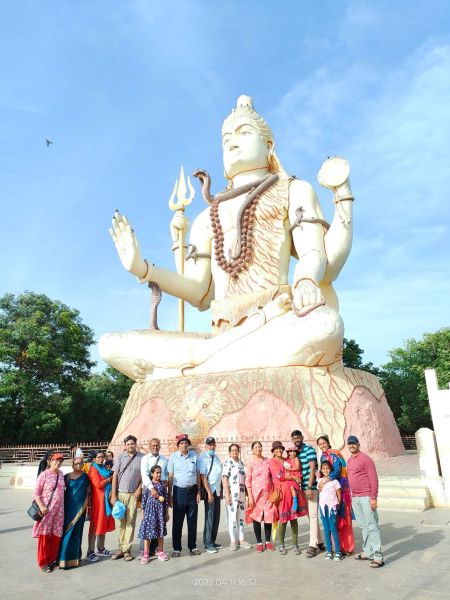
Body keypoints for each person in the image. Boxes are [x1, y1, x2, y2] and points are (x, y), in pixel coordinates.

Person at [101, 95, 354, 382]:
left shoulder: (293, 190)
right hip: (220, 335)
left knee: (326, 326)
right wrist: (142, 269)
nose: (232, 143)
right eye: (225, 139)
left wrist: (306, 278)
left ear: (268, 146)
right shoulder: (205, 217)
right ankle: (207, 361)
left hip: (276, 322)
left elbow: (315, 255)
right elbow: (199, 292)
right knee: (110, 345)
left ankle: (188, 372)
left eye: (244, 133)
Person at [346, 435, 384, 568]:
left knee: (372, 525)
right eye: (349, 444)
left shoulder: (366, 459)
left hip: (366, 497)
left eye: (353, 443)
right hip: (355, 497)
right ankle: (368, 552)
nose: (351, 446)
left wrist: (374, 497)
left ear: (358, 444)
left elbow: (374, 479)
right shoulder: (349, 460)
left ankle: (378, 555)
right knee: (363, 526)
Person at [317, 434, 354, 555]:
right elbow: (323, 471)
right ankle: (337, 546)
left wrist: (326, 480)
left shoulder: (335, 454)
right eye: (320, 444)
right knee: (334, 522)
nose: (322, 445)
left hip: (340, 490)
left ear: (328, 443)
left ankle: (347, 547)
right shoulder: (323, 456)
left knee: (344, 518)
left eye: (324, 443)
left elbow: (337, 470)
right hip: (329, 494)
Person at [268, 441, 307, 555]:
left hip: (293, 492)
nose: (279, 451)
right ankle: (282, 545)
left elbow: (298, 471)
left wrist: (298, 477)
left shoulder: (287, 460)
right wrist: (294, 477)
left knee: (294, 519)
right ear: (273, 451)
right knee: (283, 520)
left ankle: (295, 544)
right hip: (282, 494)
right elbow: (279, 476)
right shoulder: (272, 462)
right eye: (276, 449)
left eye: (280, 449)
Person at [111, 435, 144, 561]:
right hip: (121, 493)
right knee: (122, 522)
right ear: (125, 446)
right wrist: (114, 495)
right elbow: (114, 477)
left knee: (130, 522)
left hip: (133, 495)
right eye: (128, 444)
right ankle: (120, 548)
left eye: (132, 443)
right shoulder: (120, 457)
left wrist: (139, 488)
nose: (130, 446)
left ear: (136, 444)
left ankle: (127, 550)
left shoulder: (142, 458)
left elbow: (144, 476)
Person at [291, 429, 324, 557]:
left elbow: (312, 468)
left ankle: (312, 545)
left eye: (298, 438)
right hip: (302, 488)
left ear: (302, 437)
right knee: (311, 515)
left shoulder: (309, 450)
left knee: (313, 515)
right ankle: (319, 541)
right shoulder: (296, 452)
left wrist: (310, 487)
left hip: (311, 488)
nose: (296, 440)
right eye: (294, 439)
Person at [168, 434, 201, 557]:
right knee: (178, 521)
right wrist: (169, 494)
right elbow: (170, 476)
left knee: (192, 521)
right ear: (178, 445)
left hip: (192, 491)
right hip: (179, 492)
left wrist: (198, 490)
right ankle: (177, 548)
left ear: (188, 444)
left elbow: (197, 474)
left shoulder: (194, 456)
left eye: (186, 442)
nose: (184, 445)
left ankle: (192, 546)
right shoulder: (173, 457)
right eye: (181, 443)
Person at [32, 453, 65, 573]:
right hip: (46, 510)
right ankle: (43, 562)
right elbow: (36, 493)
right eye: (56, 461)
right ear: (50, 461)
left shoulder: (61, 474)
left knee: (56, 535)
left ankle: (52, 560)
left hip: (59, 511)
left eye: (60, 461)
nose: (58, 463)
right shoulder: (44, 475)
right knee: (44, 535)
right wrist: (41, 506)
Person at [139, 438, 169, 559]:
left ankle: (157, 550)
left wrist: (165, 480)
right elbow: (144, 474)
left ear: (160, 446)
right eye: (153, 445)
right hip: (150, 491)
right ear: (149, 446)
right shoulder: (145, 459)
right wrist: (152, 488)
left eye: (157, 445)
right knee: (147, 528)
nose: (155, 447)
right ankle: (144, 552)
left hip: (160, 499)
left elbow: (166, 473)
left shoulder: (164, 459)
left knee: (158, 527)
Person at [58, 455, 90, 568]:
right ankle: (62, 559)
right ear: (72, 465)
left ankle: (75, 558)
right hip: (67, 509)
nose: (78, 465)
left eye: (80, 463)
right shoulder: (66, 477)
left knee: (77, 534)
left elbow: (89, 492)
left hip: (80, 510)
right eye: (76, 463)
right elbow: (59, 491)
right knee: (66, 534)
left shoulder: (86, 477)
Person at [246, 440, 276, 552]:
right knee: (256, 518)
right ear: (252, 450)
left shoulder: (267, 461)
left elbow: (273, 475)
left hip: (268, 494)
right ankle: (259, 542)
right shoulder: (250, 463)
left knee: (268, 517)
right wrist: (250, 496)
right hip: (255, 495)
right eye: (256, 447)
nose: (258, 449)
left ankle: (268, 542)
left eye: (259, 447)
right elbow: (248, 481)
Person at [222, 443, 251, 551]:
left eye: (236, 450)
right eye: (232, 450)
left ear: (238, 451)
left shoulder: (241, 463)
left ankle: (241, 539)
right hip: (232, 495)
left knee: (241, 518)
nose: (234, 452)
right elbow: (224, 479)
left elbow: (245, 479)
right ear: (230, 452)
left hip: (242, 495)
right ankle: (233, 541)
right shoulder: (227, 463)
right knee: (232, 517)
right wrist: (227, 495)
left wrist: (248, 495)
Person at [87, 450, 115, 561]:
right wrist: (109, 479)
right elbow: (98, 484)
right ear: (94, 458)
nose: (100, 459)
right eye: (98, 457)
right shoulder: (93, 469)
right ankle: (90, 551)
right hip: (97, 501)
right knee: (94, 526)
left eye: (102, 457)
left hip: (105, 501)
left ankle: (101, 547)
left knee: (103, 523)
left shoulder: (103, 468)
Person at [198, 436, 223, 553]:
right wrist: (209, 493)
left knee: (216, 517)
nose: (212, 446)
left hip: (217, 490)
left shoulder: (216, 457)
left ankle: (213, 540)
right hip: (210, 491)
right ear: (206, 446)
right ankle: (208, 544)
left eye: (213, 444)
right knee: (209, 517)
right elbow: (203, 476)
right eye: (210, 444)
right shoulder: (203, 457)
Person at [317, 460, 342, 561]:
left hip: (332, 507)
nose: (325, 470)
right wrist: (321, 481)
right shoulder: (319, 481)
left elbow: (339, 495)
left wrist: (338, 505)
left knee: (333, 529)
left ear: (330, 469)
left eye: (327, 468)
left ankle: (338, 552)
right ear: (321, 470)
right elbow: (320, 490)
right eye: (323, 469)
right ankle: (329, 551)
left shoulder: (335, 481)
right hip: (323, 507)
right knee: (326, 530)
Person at [284, 447, 302, 512]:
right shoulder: (288, 460)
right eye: (291, 452)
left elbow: (297, 468)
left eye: (294, 452)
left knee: (292, 488)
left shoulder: (296, 458)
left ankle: (295, 502)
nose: (292, 453)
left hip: (297, 475)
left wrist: (289, 469)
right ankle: (293, 502)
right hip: (292, 476)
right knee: (290, 489)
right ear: (288, 453)